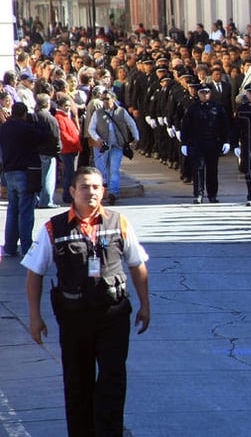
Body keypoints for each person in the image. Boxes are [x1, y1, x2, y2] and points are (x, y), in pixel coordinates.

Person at [21, 166, 150, 436]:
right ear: (72, 191)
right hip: (74, 319)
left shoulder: (119, 222)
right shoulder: (53, 227)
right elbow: (35, 274)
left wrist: (144, 305)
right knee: (77, 382)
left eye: (96, 187)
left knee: (113, 379)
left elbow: (137, 265)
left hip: (113, 317)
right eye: (84, 187)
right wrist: (35, 317)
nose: (91, 192)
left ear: (102, 191)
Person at [0, 102, 46, 257]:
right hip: (24, 172)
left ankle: (10, 246)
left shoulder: (4, 128)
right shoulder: (27, 129)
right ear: (24, 114)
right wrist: (35, 122)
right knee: (26, 210)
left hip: (9, 171)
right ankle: (26, 247)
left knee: (12, 210)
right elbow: (43, 137)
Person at [181, 82, 230, 204]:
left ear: (210, 93)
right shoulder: (193, 109)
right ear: (198, 94)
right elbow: (186, 127)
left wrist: (226, 141)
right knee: (198, 169)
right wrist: (184, 143)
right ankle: (198, 194)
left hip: (212, 143)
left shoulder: (217, 108)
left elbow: (224, 126)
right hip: (196, 143)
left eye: (207, 92)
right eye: (202, 93)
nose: (205, 95)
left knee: (212, 170)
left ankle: (212, 195)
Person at [88, 90, 140, 205]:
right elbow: (91, 128)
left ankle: (113, 192)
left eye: (107, 99)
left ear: (113, 99)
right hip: (104, 146)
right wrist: (97, 138)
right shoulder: (98, 113)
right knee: (106, 169)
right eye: (103, 99)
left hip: (117, 145)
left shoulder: (121, 112)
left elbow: (131, 123)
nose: (104, 101)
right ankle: (109, 190)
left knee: (114, 169)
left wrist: (136, 138)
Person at [33, 93, 61, 208]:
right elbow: (55, 136)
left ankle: (39, 199)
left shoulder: (34, 116)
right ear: (47, 104)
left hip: (36, 150)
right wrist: (58, 150)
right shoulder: (49, 118)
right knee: (48, 176)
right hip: (48, 151)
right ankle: (46, 201)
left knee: (39, 176)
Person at [55, 96, 82, 204]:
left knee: (71, 173)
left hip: (73, 148)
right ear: (60, 106)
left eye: (69, 106)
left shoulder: (66, 116)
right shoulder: (59, 117)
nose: (68, 108)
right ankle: (67, 196)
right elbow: (63, 134)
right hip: (67, 149)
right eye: (65, 106)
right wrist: (74, 142)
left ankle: (69, 195)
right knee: (69, 174)